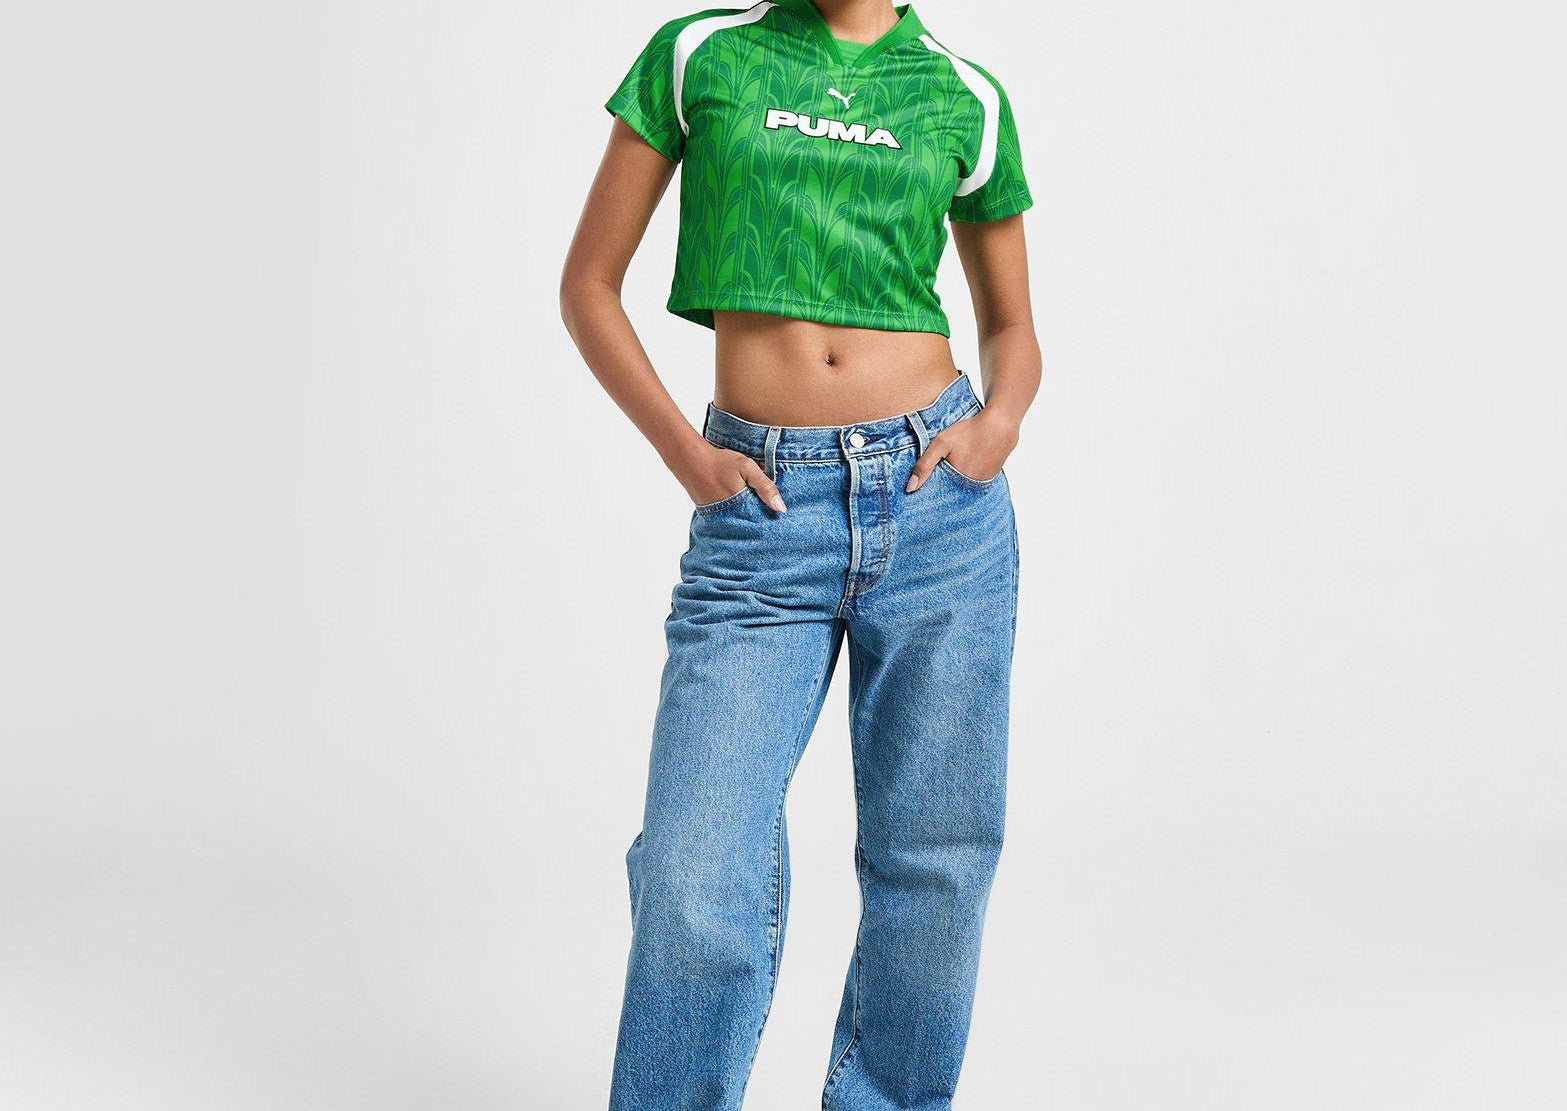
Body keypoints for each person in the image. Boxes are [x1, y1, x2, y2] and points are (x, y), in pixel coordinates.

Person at [560, 1, 1040, 1107]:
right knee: (693, 867)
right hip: (759, 512)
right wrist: (687, 454)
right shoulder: (701, 53)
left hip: (937, 505)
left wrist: (1000, 422)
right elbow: (588, 284)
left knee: (933, 858)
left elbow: (1012, 324)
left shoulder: (964, 94)